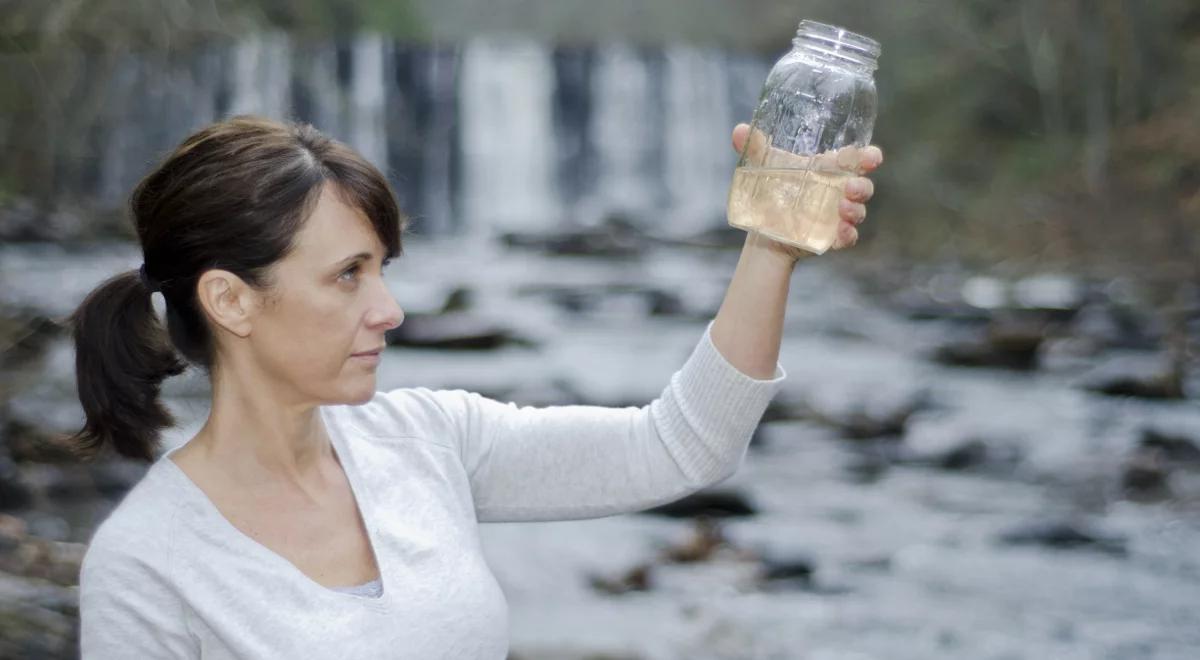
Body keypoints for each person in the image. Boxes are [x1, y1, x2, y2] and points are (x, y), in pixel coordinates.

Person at [72, 115, 880, 658]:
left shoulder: (429, 440)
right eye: (348, 276)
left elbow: (681, 446)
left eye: (381, 271)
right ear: (228, 300)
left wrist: (770, 250)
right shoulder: (145, 567)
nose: (388, 310)